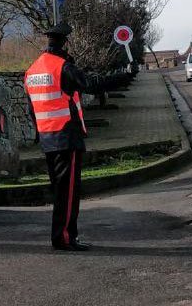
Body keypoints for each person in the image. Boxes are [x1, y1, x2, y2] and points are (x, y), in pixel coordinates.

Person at [23, 22, 131, 251]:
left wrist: (39, 134)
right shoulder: (62, 67)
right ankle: (63, 237)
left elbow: (31, 108)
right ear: (65, 42)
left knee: (59, 191)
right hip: (65, 136)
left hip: (47, 138)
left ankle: (63, 235)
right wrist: (123, 77)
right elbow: (91, 84)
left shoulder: (32, 71)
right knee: (69, 192)